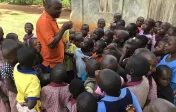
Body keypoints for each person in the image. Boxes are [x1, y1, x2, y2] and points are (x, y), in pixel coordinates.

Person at [36, 0, 72, 72]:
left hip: (56, 61)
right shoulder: (44, 21)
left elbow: (54, 35)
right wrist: (63, 28)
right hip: (50, 64)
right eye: (57, 9)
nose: (60, 11)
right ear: (48, 7)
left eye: (60, 8)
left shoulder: (51, 18)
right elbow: (51, 44)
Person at [13, 47, 41, 112]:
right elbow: (31, 105)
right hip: (29, 108)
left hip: (19, 101)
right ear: (34, 62)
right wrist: (25, 103)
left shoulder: (16, 67)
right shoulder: (33, 80)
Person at [1, 39, 21, 112]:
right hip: (14, 92)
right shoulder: (6, 67)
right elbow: (10, 86)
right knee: (15, 108)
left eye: (11, 58)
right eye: (6, 58)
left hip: (24, 90)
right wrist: (21, 94)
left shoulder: (21, 62)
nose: (9, 60)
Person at [157, 35, 176, 105]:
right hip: (158, 88)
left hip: (166, 95)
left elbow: (173, 85)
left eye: (169, 44)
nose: (165, 45)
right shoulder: (166, 56)